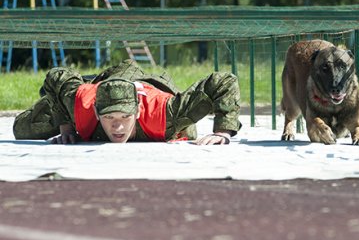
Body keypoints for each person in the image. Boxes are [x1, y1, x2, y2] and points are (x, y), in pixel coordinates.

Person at [13, 60, 241, 145]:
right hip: (105, 81)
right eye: (110, 118)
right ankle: (93, 85)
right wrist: (65, 125)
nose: (118, 127)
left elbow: (223, 82)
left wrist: (223, 131)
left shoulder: (167, 114)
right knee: (22, 130)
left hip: (153, 87)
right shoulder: (80, 104)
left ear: (138, 110)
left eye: (124, 117)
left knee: (187, 131)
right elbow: (57, 75)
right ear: (96, 110)